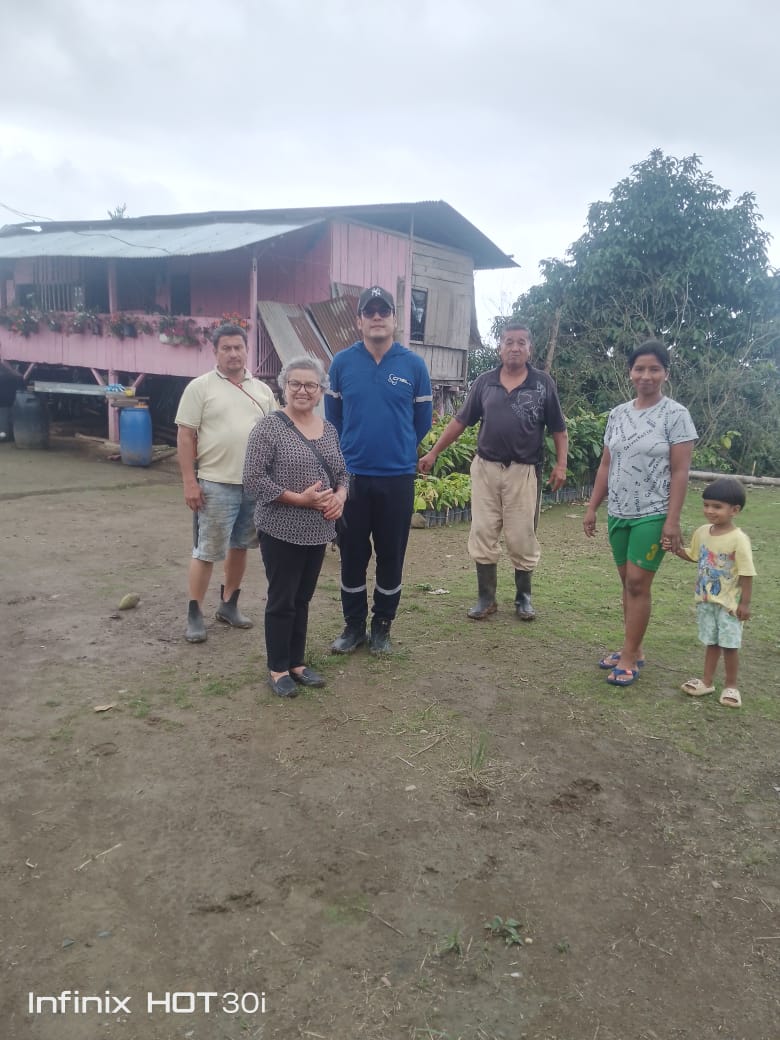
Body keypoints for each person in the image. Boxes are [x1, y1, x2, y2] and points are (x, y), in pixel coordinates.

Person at [418, 322, 568, 621]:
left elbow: (558, 428)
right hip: (486, 469)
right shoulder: (485, 383)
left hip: (523, 471)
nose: (515, 348)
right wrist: (434, 452)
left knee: (521, 536)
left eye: (521, 342)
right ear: (500, 347)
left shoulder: (542, 384)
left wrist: (561, 464)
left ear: (530, 349)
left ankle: (523, 598)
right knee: (483, 531)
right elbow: (460, 421)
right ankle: (486, 599)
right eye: (508, 342)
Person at [325, 286, 433, 655]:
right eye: (369, 311)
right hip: (351, 478)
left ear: (394, 319)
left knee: (391, 555)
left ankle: (382, 626)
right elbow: (334, 420)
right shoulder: (342, 364)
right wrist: (350, 453)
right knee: (352, 554)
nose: (376, 317)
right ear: (359, 320)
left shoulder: (413, 366)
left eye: (382, 311)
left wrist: (398, 448)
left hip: (397, 478)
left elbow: (421, 421)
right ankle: (354, 626)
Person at [583, 340, 697, 686]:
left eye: (654, 369)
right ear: (630, 373)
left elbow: (680, 471)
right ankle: (633, 647)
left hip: (653, 512)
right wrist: (592, 506)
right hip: (618, 511)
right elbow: (606, 464)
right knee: (627, 582)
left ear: (665, 374)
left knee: (637, 583)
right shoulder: (618, 414)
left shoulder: (676, 415)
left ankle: (630, 657)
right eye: (639, 369)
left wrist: (672, 521)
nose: (646, 375)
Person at [243, 357, 347, 697]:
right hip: (280, 528)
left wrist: (340, 497)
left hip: (318, 530)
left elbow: (342, 473)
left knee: (302, 598)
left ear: (321, 391)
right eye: (295, 384)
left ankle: (297, 662)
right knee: (282, 600)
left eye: (310, 385)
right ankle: (277, 669)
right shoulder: (268, 427)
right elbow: (253, 479)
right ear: (284, 387)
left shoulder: (328, 429)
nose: (303, 390)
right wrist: (298, 499)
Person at [175, 323, 276, 643]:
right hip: (215, 484)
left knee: (241, 546)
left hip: (253, 485)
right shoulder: (200, 387)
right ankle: (194, 612)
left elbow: (274, 436)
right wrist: (189, 482)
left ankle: (229, 604)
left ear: (247, 350)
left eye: (238, 347)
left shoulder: (263, 391)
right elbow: (186, 436)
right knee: (206, 550)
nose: (233, 353)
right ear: (215, 352)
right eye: (226, 348)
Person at [672, 478, 755, 708]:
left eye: (717, 506)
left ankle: (731, 686)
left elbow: (747, 573)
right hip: (706, 600)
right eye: (706, 505)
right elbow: (694, 555)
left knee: (730, 646)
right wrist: (675, 549)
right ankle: (707, 682)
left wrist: (745, 603)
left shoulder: (739, 539)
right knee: (711, 642)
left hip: (729, 605)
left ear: (734, 510)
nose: (709, 510)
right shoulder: (702, 532)